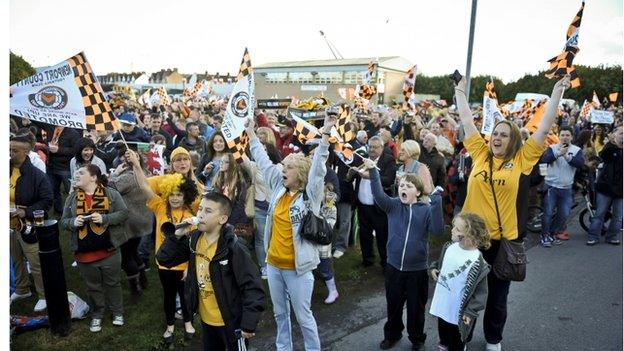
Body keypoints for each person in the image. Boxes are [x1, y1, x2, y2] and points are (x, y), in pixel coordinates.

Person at [454, 74, 570, 351]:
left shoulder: (523, 159)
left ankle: (493, 339)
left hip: (502, 243)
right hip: (471, 241)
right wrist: (459, 90)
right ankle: (463, 337)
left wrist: (556, 94)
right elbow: (468, 121)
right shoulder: (480, 154)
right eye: (495, 133)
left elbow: (543, 127)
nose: (497, 137)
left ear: (513, 139)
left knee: (497, 297)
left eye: (504, 134)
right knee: (465, 295)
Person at [246, 113, 335, 351]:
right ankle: (283, 348)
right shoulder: (278, 187)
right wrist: (251, 133)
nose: (283, 169)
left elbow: (318, 169)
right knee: (279, 314)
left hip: (298, 269)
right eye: (283, 166)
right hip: (274, 265)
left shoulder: (310, 195)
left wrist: (325, 133)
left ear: (301, 174)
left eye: (289, 167)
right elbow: (263, 160)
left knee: (303, 317)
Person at [360, 158, 443, 351]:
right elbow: (378, 195)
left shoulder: (426, 210)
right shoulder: (393, 206)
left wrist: (437, 203)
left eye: (408, 186)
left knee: (416, 309)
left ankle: (417, 339)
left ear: (418, 192)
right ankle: (392, 335)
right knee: (394, 306)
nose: (403, 188)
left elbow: (438, 230)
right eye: (401, 185)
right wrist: (373, 171)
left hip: (417, 270)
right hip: (394, 268)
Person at [165, 192, 266, 350]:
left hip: (231, 324)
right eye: (200, 209)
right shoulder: (194, 240)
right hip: (207, 321)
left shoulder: (234, 248)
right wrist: (176, 237)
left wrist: (248, 323)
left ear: (222, 219)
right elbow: (165, 259)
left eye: (208, 211)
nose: (201, 215)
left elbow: (252, 286)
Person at [129, 150, 199, 344]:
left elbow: (193, 242)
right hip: (164, 263)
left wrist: (188, 267)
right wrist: (136, 164)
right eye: (171, 194)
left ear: (186, 196)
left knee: (185, 297)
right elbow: (144, 187)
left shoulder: (190, 215)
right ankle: (170, 325)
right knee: (168, 295)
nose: (175, 198)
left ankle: (188, 323)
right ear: (166, 194)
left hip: (184, 265)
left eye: (179, 195)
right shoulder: (159, 206)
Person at [60, 165, 128, 332]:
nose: (76, 176)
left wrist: (105, 218)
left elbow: (124, 213)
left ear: (93, 177)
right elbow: (63, 221)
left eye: (81, 173)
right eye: (75, 174)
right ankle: (97, 313)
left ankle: (117, 312)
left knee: (113, 283)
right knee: (93, 286)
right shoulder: (72, 198)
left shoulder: (111, 194)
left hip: (109, 250)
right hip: (84, 252)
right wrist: (72, 222)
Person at [429, 213, 491, 351]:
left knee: (456, 340)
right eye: (453, 227)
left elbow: (481, 293)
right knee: (443, 335)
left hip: (459, 312)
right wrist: (433, 269)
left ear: (469, 234)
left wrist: (470, 312)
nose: (452, 230)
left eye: (457, 229)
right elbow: (441, 264)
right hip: (443, 305)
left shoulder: (477, 262)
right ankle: (443, 347)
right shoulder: (449, 246)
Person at [10, 133, 54, 312]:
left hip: (28, 225)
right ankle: (22, 289)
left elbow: (47, 200)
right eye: (8, 150)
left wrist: (25, 211)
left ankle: (44, 294)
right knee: (15, 259)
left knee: (34, 261)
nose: (10, 153)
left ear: (26, 152)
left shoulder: (36, 175)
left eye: (14, 150)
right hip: (8, 224)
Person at [108, 149, 154, 302]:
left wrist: (114, 174)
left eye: (127, 156)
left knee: (126, 255)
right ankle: (143, 279)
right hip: (143, 219)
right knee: (134, 251)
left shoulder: (128, 176)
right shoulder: (144, 173)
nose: (123, 158)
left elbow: (110, 190)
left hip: (129, 220)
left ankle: (135, 289)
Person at [348, 136, 397, 269]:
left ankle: (385, 263)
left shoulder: (388, 160)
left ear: (382, 148)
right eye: (370, 147)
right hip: (363, 205)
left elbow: (389, 180)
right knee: (364, 235)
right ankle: (367, 260)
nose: (372, 150)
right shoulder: (363, 159)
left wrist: (370, 176)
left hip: (379, 207)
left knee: (382, 236)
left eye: (375, 147)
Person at [538, 126, 585, 247]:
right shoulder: (552, 148)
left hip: (566, 188)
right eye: (563, 135)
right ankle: (544, 235)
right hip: (551, 186)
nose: (565, 137)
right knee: (548, 213)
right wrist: (558, 153)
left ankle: (552, 233)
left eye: (567, 135)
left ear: (571, 137)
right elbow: (544, 160)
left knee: (563, 214)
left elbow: (579, 163)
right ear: (559, 136)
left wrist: (567, 156)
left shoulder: (576, 150)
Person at [587, 125, 623, 246]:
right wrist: (616, 145)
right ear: (615, 135)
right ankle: (593, 236)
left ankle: (612, 236)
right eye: (621, 133)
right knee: (600, 213)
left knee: (618, 216)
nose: (623, 136)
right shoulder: (610, 147)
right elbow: (604, 156)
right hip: (605, 188)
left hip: (621, 190)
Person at [212, 153, 255, 238]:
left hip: (237, 222)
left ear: (232, 164)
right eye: (221, 161)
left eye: (226, 162)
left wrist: (229, 223)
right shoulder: (219, 179)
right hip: (223, 219)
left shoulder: (239, 182)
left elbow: (239, 206)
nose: (222, 163)